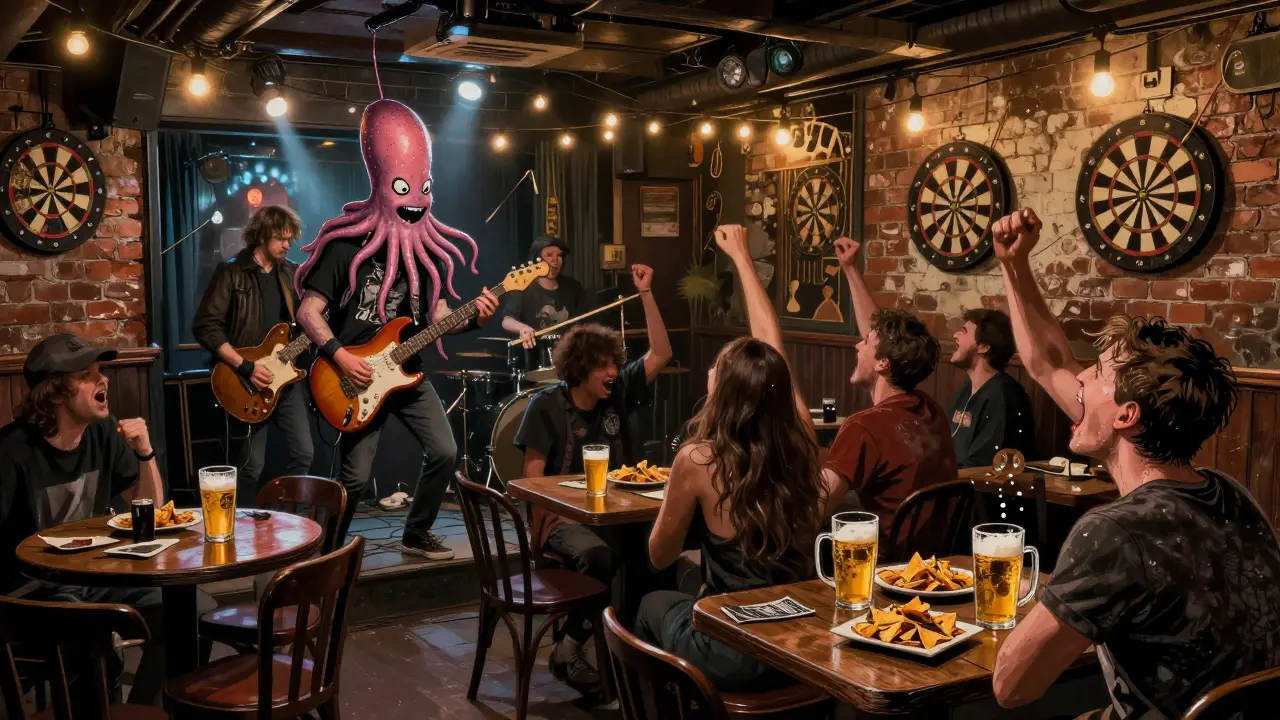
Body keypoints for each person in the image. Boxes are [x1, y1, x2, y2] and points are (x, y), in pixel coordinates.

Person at [989, 208, 1280, 719]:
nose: (1077, 381)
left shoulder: (1114, 532)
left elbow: (1011, 686)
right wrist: (1014, 266)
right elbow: (1045, 362)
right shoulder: (1234, 493)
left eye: (1096, 372)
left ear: (1126, 415)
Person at [637, 225, 824, 692]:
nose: (708, 372)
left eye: (716, 370)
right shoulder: (802, 438)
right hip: (801, 639)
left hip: (737, 646)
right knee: (689, 587)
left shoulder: (698, 459)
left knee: (649, 606)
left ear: (724, 393)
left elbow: (658, 556)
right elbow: (773, 348)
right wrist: (741, 257)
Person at [0, 335, 215, 706]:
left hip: (96, 577)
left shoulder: (103, 431)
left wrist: (145, 453)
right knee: (93, 636)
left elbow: (150, 507)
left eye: (100, 372)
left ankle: (140, 711)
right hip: (31, 594)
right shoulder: (11, 452)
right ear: (55, 393)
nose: (104, 381)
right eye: (87, 375)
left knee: (194, 612)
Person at [513, 263, 671, 693]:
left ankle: (641, 653)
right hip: (564, 520)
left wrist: (646, 294)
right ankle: (573, 641)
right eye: (603, 365)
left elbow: (660, 354)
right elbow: (532, 480)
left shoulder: (616, 394)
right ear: (581, 367)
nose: (613, 373)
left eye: (615, 364)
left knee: (660, 554)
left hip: (621, 513)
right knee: (601, 559)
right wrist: (540, 532)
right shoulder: (546, 406)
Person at [295, 235, 499, 561]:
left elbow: (440, 315)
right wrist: (343, 357)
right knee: (355, 478)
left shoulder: (424, 258)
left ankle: (416, 534)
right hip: (352, 376)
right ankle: (326, 555)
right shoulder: (345, 249)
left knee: (445, 451)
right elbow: (308, 312)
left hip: (406, 372)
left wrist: (478, 318)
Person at [818, 236, 956, 532]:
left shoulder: (864, 427)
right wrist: (851, 269)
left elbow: (815, 508)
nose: (857, 345)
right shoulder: (931, 412)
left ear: (883, 363)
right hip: (933, 565)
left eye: (865, 342)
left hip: (883, 568)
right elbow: (884, 340)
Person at [192, 204, 314, 493]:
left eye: (290, 238)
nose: (287, 244)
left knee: (304, 454)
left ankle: (283, 519)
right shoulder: (232, 271)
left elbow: (307, 322)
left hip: (285, 379)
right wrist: (246, 367)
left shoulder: (292, 275)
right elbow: (206, 327)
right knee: (250, 466)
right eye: (281, 238)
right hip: (245, 380)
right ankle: (244, 530)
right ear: (261, 236)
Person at [949, 308, 1036, 468]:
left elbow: (984, 464)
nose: (955, 335)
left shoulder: (1003, 396)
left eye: (964, 331)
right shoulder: (966, 389)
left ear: (983, 347)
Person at [503, 236, 589, 350]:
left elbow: (585, 322)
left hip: (568, 356)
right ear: (537, 259)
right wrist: (523, 329)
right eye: (549, 255)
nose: (555, 260)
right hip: (535, 355)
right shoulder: (522, 286)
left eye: (559, 255)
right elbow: (507, 320)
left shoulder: (573, 287)